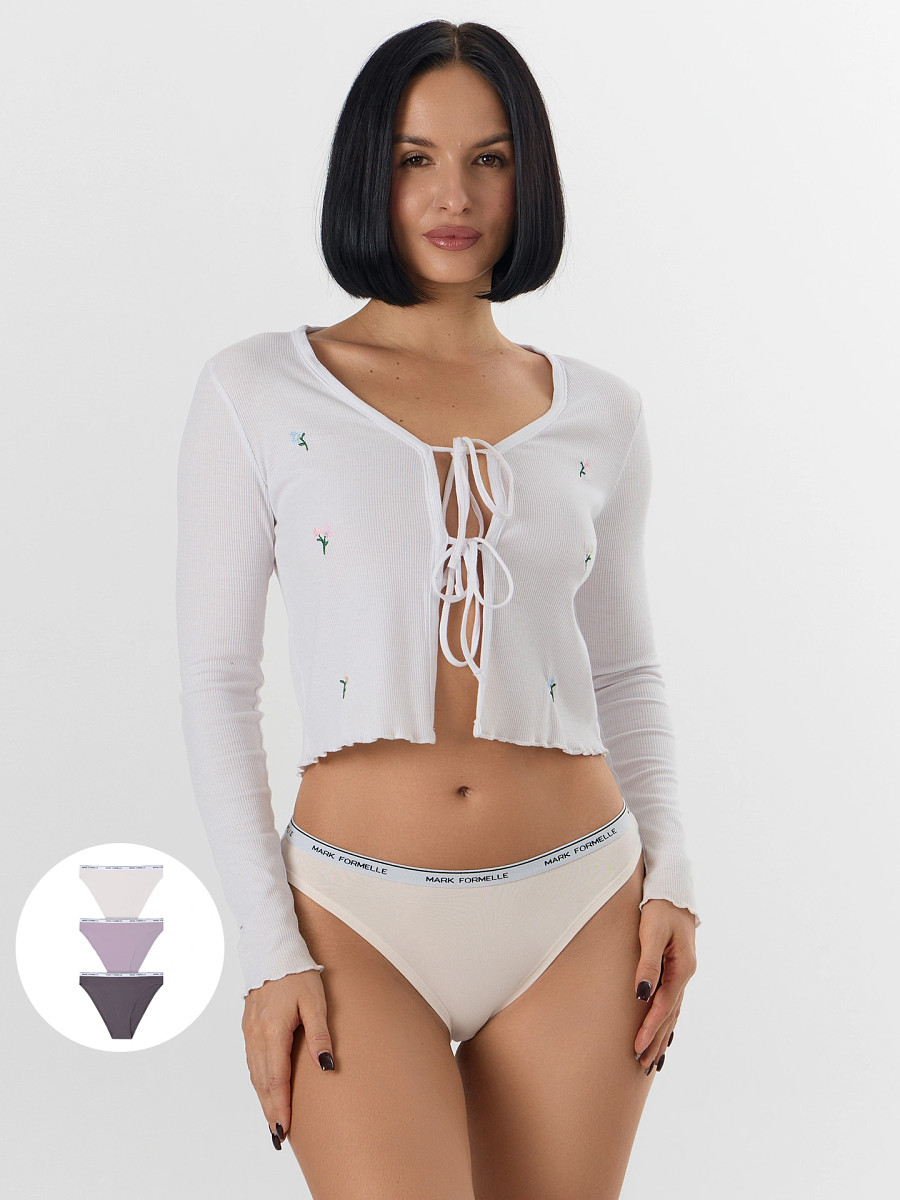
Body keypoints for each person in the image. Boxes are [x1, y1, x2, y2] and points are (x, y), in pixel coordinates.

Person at [176, 18, 700, 1200]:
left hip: (582, 907)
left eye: (489, 159)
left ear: (530, 176)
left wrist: (673, 877)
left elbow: (628, 671)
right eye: (416, 158)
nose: (453, 196)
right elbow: (216, 681)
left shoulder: (602, 413)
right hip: (351, 917)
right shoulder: (257, 390)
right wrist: (267, 947)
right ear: (370, 169)